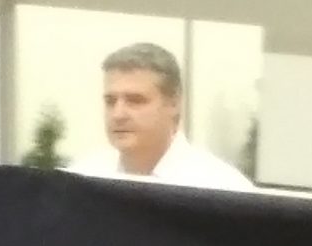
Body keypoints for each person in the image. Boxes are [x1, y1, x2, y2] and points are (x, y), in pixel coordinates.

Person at [66, 43, 255, 191]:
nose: (118, 114)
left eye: (135, 100)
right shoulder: (80, 181)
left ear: (174, 103)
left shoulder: (223, 189)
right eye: (110, 101)